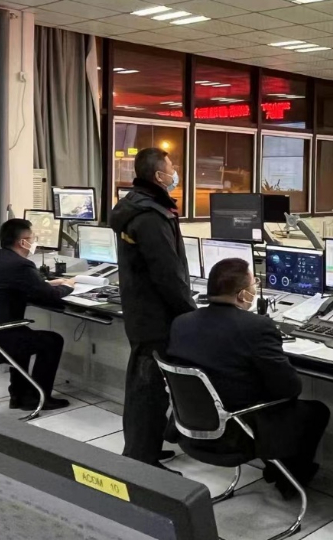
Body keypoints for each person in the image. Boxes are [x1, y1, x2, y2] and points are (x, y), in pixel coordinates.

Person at [168, 258, 329, 498]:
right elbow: (289, 388)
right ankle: (289, 480)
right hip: (236, 434)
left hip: (192, 428)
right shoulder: (257, 327)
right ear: (243, 294)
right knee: (315, 411)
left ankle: (278, 470)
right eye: (254, 283)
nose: (255, 288)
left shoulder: (181, 323)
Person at [109, 148, 196, 469]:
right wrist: (191, 313)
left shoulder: (135, 206)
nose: (175, 173)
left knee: (148, 384)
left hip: (142, 309)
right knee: (148, 388)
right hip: (156, 316)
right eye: (172, 167)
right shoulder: (151, 215)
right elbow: (167, 273)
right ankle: (141, 459)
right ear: (159, 176)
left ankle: (147, 447)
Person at [0, 219, 74, 410]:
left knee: (21, 334)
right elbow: (50, 296)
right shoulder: (21, 265)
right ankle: (37, 398)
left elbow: (24, 284)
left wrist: (49, 283)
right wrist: (68, 286)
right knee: (52, 341)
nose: (34, 242)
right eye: (32, 238)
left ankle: (19, 396)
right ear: (22, 242)